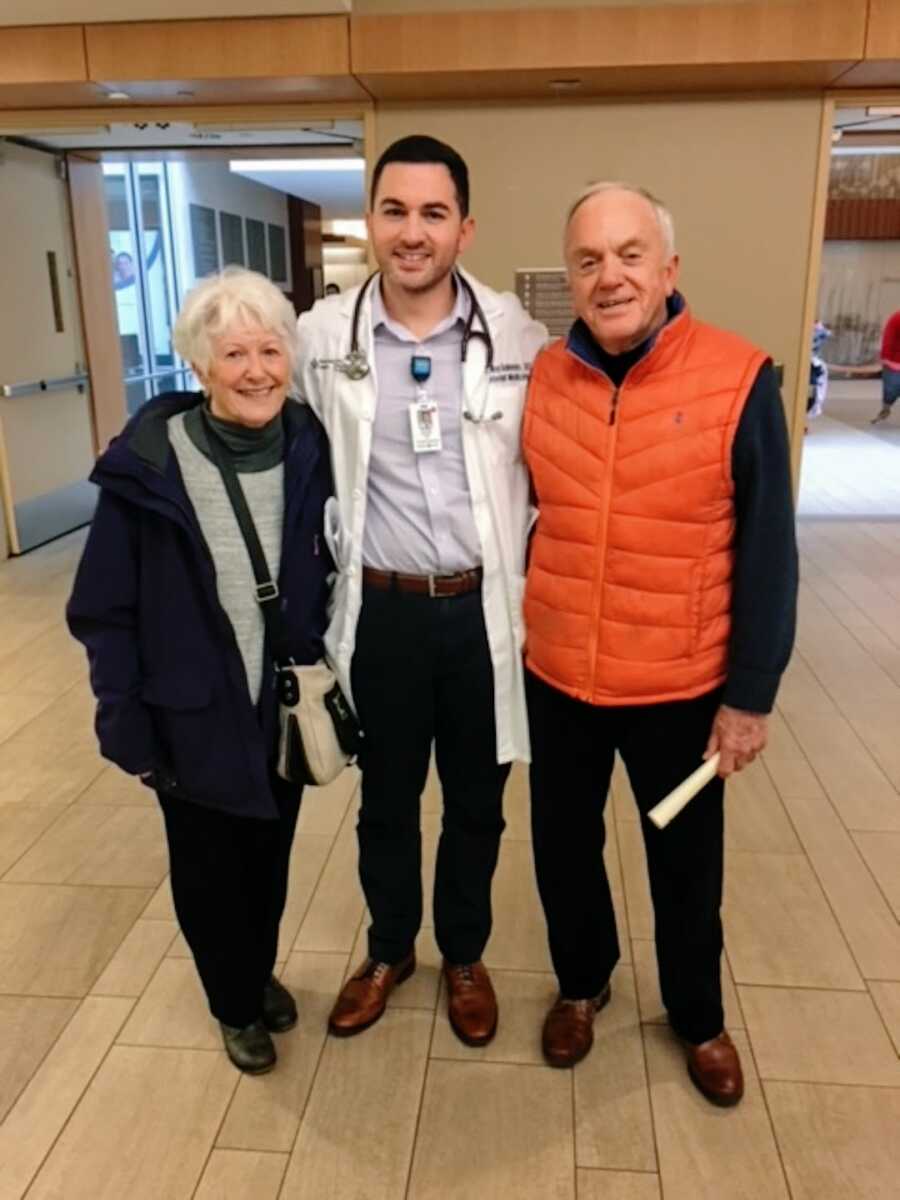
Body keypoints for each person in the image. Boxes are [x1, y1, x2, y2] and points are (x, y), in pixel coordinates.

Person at [522, 183, 797, 1106]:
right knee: (562, 849)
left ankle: (696, 1015)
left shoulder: (737, 378)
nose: (610, 277)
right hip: (559, 671)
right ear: (570, 277)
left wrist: (749, 696)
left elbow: (768, 550)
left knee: (684, 867)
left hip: (679, 683)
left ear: (668, 269)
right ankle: (583, 981)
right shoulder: (541, 377)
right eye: (589, 260)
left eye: (630, 255)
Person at [296, 135, 546, 1045]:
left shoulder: (516, 336)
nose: (412, 232)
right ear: (372, 221)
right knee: (387, 801)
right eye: (395, 210)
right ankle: (391, 947)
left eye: (433, 213)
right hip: (383, 611)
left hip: (483, 614)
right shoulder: (321, 338)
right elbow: (268, 436)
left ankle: (466, 953)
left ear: (464, 227)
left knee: (479, 802)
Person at [67, 267, 332, 1075]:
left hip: (277, 704)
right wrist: (126, 721)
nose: (256, 370)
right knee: (210, 869)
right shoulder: (150, 466)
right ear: (199, 366)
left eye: (269, 348)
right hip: (186, 709)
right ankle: (232, 1001)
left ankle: (254, 970)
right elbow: (102, 608)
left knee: (270, 855)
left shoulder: (309, 442)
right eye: (233, 354)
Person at [872, 308, 900, 423]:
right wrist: (887, 360)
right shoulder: (897, 319)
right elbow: (888, 339)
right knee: (891, 390)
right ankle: (886, 408)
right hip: (895, 363)